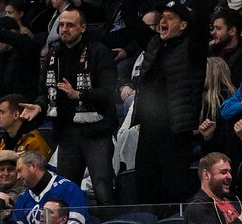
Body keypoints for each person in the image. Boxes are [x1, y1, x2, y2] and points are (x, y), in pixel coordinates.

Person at [24, 6, 117, 205]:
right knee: (67, 190)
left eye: (70, 25)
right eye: (62, 25)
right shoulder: (53, 53)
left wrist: (80, 94)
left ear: (83, 28)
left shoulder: (99, 51)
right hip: (66, 131)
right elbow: (44, 91)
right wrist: (40, 106)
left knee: (102, 187)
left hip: (96, 131)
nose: (65, 29)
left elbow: (109, 93)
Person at [132, 0, 206, 207]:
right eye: (161, 17)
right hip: (148, 128)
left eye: (170, 17)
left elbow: (201, 20)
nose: (162, 21)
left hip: (175, 129)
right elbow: (133, 21)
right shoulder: (154, 44)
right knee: (145, 184)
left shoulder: (193, 46)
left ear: (183, 25)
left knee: (173, 186)